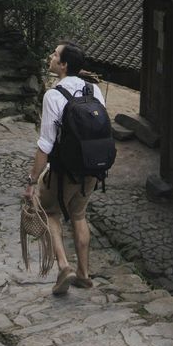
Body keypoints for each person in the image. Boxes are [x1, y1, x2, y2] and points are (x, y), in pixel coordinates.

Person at [23, 41, 106, 296]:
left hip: (64, 170)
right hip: (92, 168)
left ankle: (63, 267)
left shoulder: (54, 95)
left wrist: (32, 180)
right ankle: (84, 273)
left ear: (63, 65)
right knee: (79, 215)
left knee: (50, 211)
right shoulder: (93, 90)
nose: (51, 56)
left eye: (55, 54)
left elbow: (45, 144)